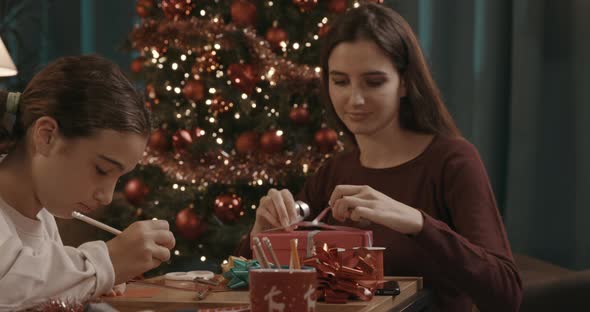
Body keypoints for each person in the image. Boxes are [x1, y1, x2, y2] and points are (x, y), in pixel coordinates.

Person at [238, 3, 522, 311]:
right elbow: (246, 281)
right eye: (340, 81)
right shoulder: (335, 172)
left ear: (405, 83)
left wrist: (417, 223)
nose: (354, 99)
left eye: (374, 82)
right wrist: (261, 235)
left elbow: (506, 293)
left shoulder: (452, 161)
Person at [0, 55, 175, 310]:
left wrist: (85, 283)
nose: (105, 196)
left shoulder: (42, 218)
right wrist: (105, 264)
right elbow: (8, 286)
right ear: (47, 136)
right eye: (102, 169)